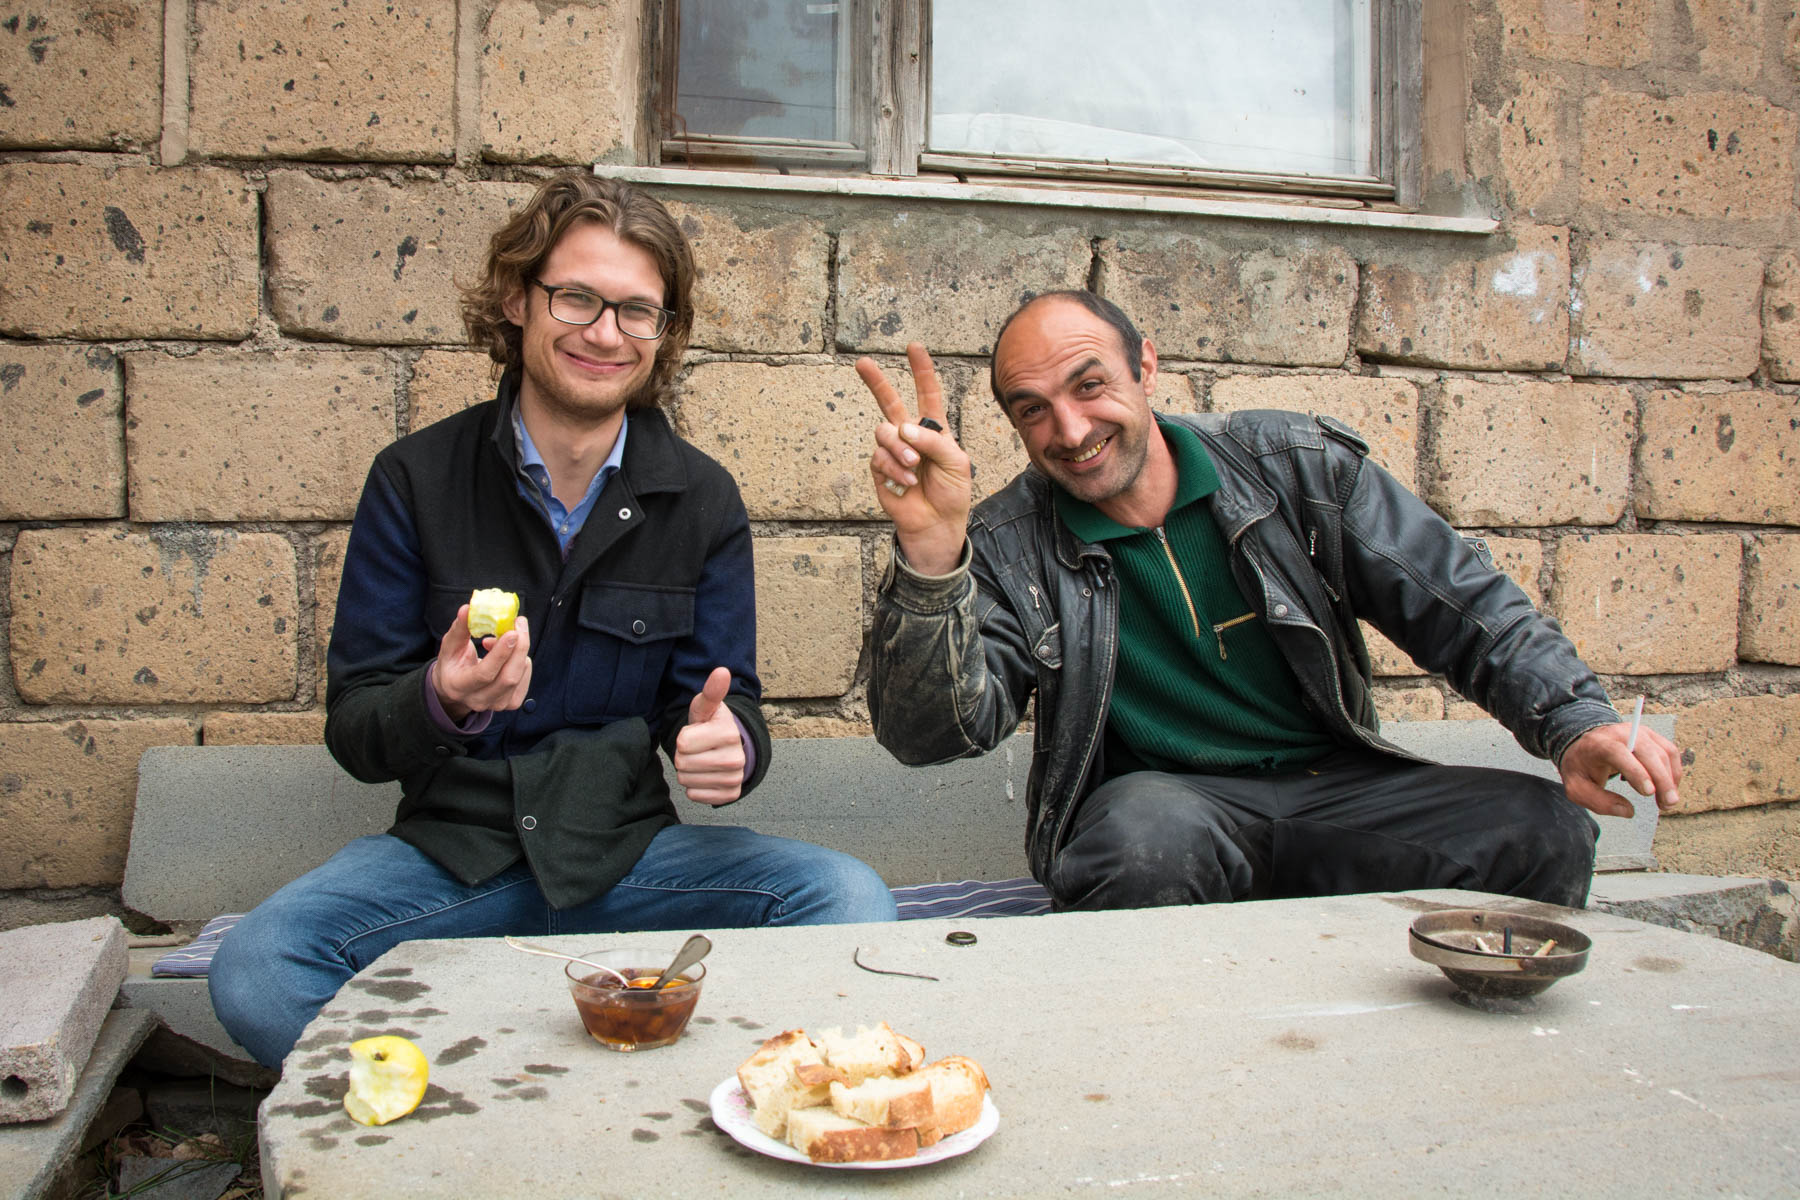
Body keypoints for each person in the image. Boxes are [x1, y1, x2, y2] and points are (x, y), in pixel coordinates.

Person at [210, 172, 896, 1068]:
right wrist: (440, 699)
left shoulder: (701, 499)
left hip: (632, 862)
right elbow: (355, 729)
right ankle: (474, 1106)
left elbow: (726, 710)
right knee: (258, 970)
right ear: (516, 300)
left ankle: (680, 1102)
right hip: (449, 865)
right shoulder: (416, 478)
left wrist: (732, 749)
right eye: (576, 297)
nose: (605, 333)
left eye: (636, 311)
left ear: (663, 332)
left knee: (850, 901)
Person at [859, 289, 1682, 914]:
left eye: (1090, 386)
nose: (1070, 431)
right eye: (1033, 410)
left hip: (1342, 791)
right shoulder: (1007, 542)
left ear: (1146, 367)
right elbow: (934, 738)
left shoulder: (1299, 467)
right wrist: (933, 559)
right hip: (1170, 808)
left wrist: (1572, 720)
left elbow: (1465, 607)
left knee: (1539, 828)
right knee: (1138, 846)